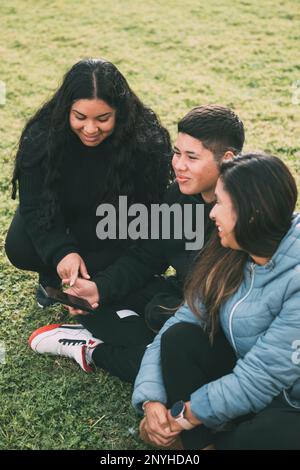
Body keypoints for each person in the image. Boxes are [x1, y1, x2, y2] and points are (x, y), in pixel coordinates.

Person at [28, 105, 245, 384]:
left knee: (174, 368)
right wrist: (98, 290)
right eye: (177, 153)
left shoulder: (246, 209)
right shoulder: (179, 195)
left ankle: (93, 349)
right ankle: (133, 336)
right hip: (174, 299)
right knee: (97, 294)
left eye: (192, 157)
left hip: (212, 322)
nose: (178, 165)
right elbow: (147, 255)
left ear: (227, 159)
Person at [132, 153, 300, 450]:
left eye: (220, 203)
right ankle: (200, 445)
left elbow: (261, 378)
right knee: (179, 338)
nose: (211, 213)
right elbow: (182, 320)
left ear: (250, 214)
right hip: (244, 380)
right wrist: (151, 400)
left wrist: (182, 417)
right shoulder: (231, 250)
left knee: (272, 433)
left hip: (290, 403)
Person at [5, 58, 172, 306]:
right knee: (20, 245)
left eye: (103, 118)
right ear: (66, 110)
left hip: (115, 226)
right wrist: (62, 252)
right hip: (66, 216)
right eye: (80, 117)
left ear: (120, 112)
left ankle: (97, 284)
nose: (91, 129)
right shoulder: (41, 137)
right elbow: (35, 205)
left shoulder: (147, 142)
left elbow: (148, 217)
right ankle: (53, 274)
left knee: (108, 260)